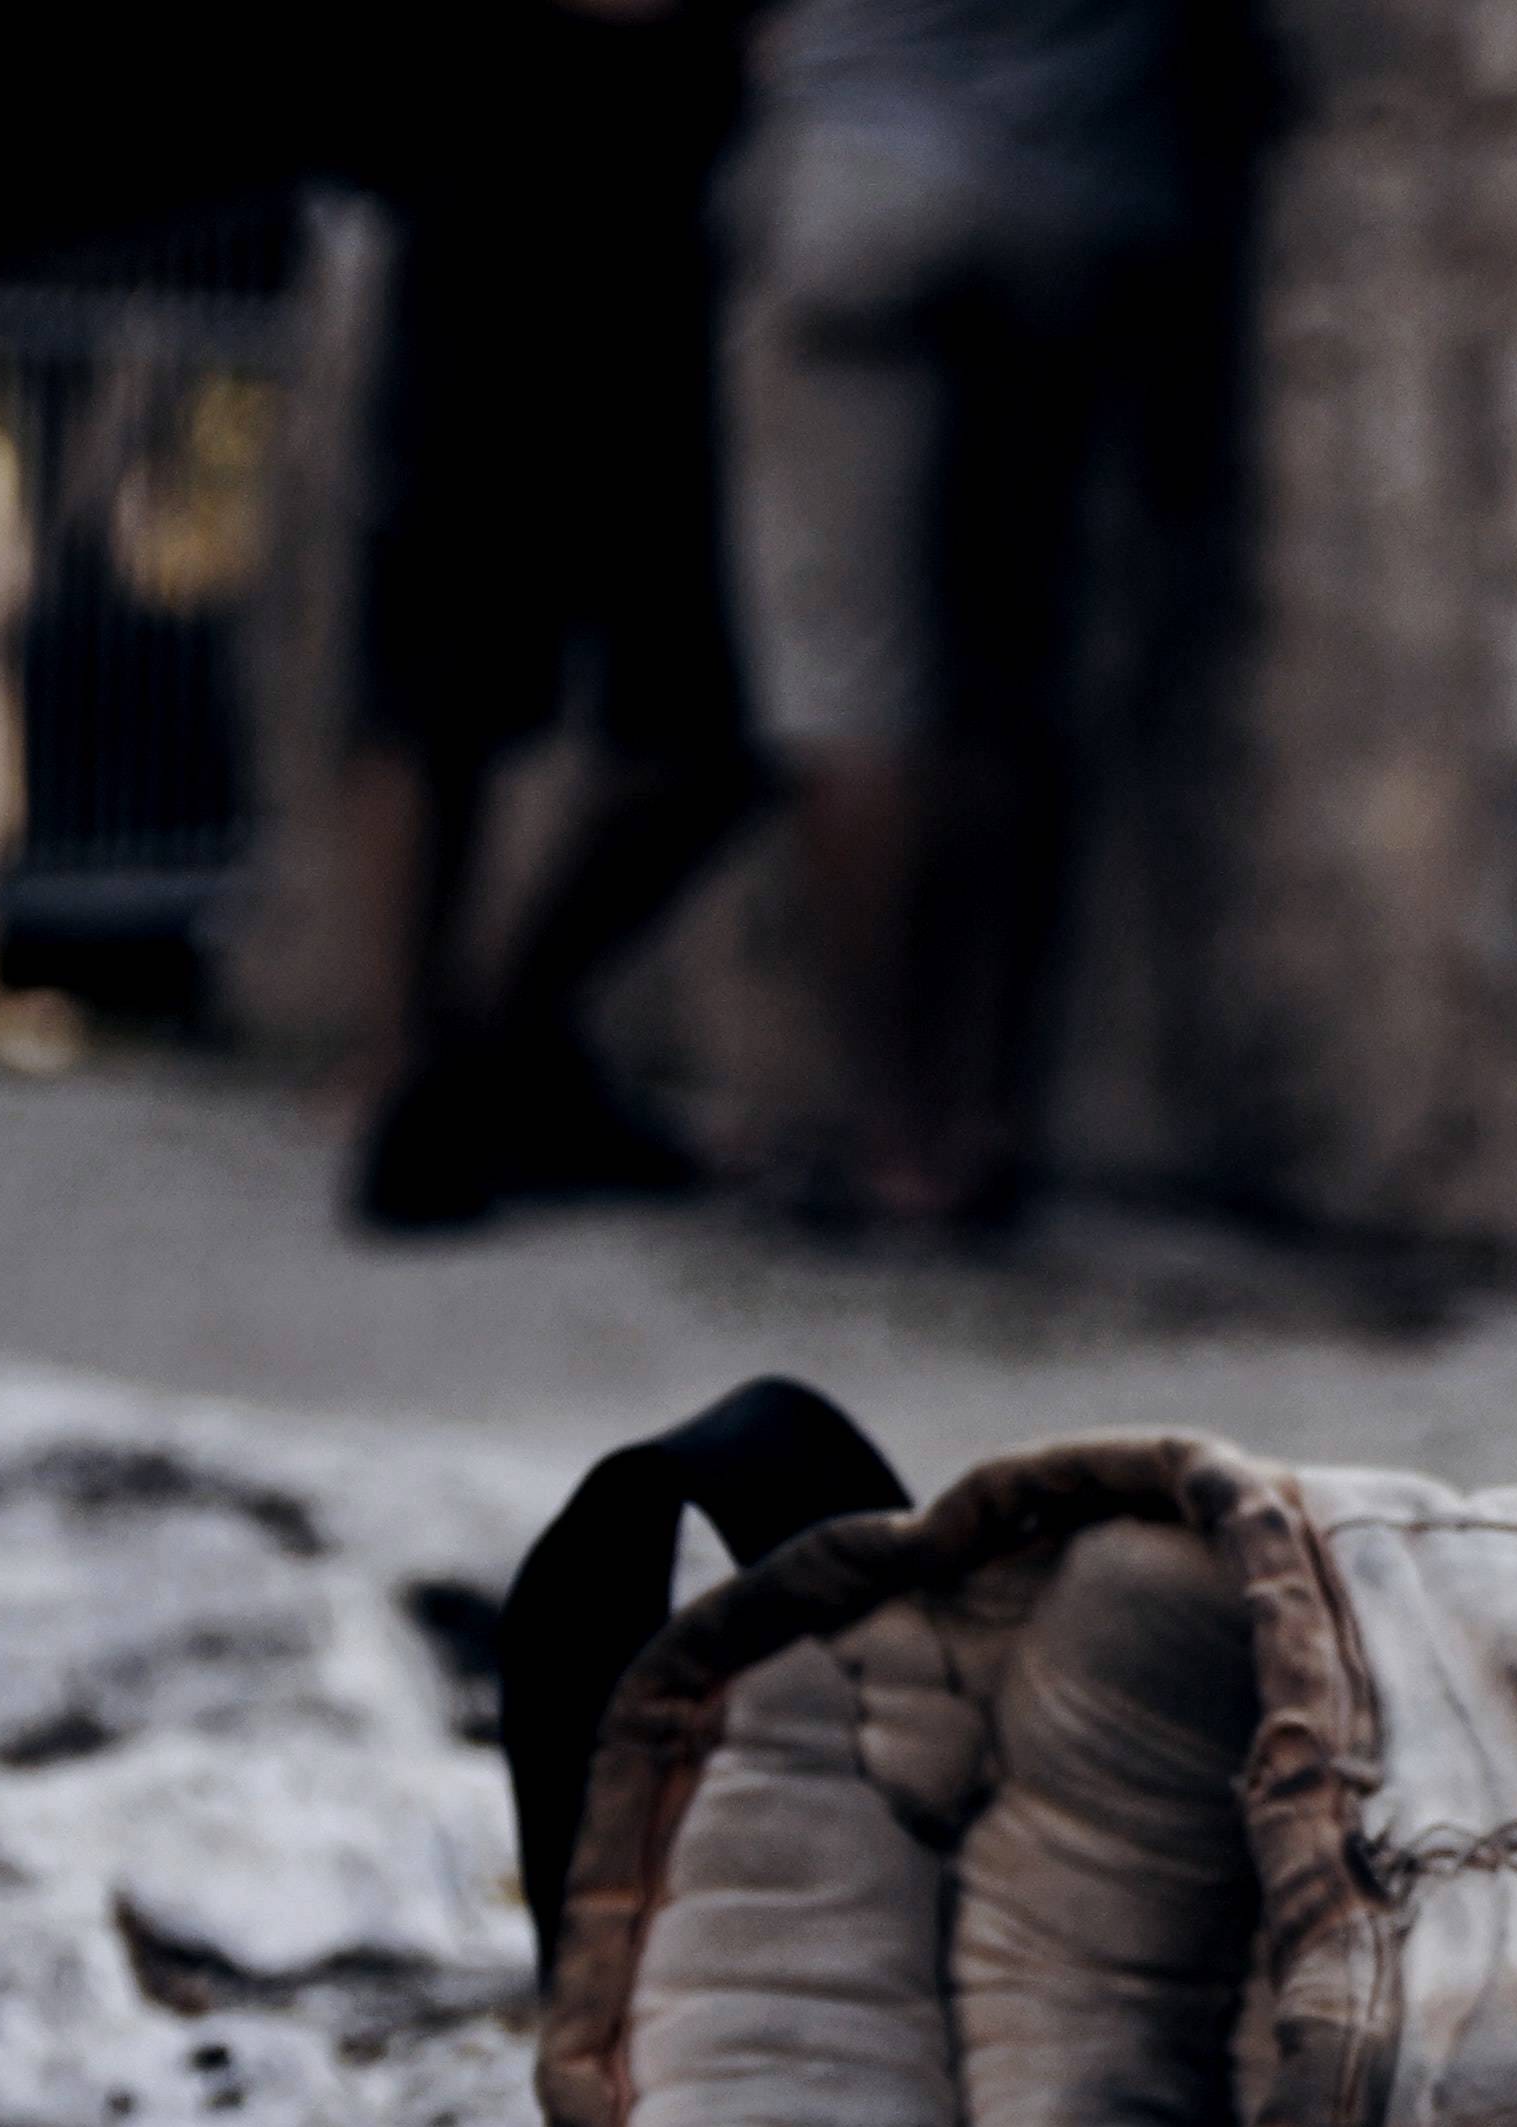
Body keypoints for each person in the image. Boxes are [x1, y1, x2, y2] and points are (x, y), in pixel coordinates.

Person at [722, 0, 1223, 1231]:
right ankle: (990, 1122)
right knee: (1011, 674)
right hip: (1074, 207)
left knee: (852, 688)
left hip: (866, 195)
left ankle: (894, 1135)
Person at [339, 0, 764, 1231]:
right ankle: (431, 1069)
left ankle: (480, 1052)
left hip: (636, 210)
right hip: (514, 193)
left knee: (706, 726)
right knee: (441, 685)